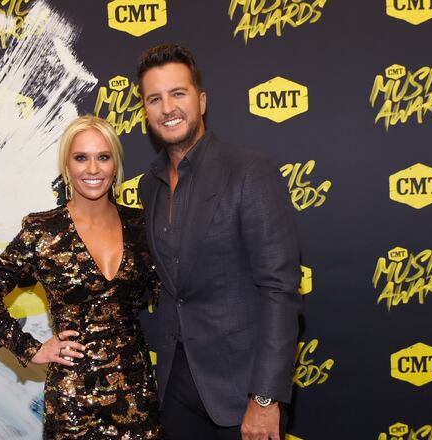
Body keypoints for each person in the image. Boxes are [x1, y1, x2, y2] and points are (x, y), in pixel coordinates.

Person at [136, 44, 302, 440]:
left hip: (240, 392)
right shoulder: (149, 186)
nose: (167, 108)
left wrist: (264, 399)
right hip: (175, 390)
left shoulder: (249, 171)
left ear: (202, 100)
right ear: (145, 111)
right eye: (154, 99)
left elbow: (280, 289)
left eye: (178, 93)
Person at [0, 115, 162, 439]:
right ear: (66, 166)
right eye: (81, 158)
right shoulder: (43, 231)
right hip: (74, 402)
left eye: (103, 157)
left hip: (136, 393)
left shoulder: (142, 226)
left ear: (115, 165)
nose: (92, 169)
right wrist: (31, 348)